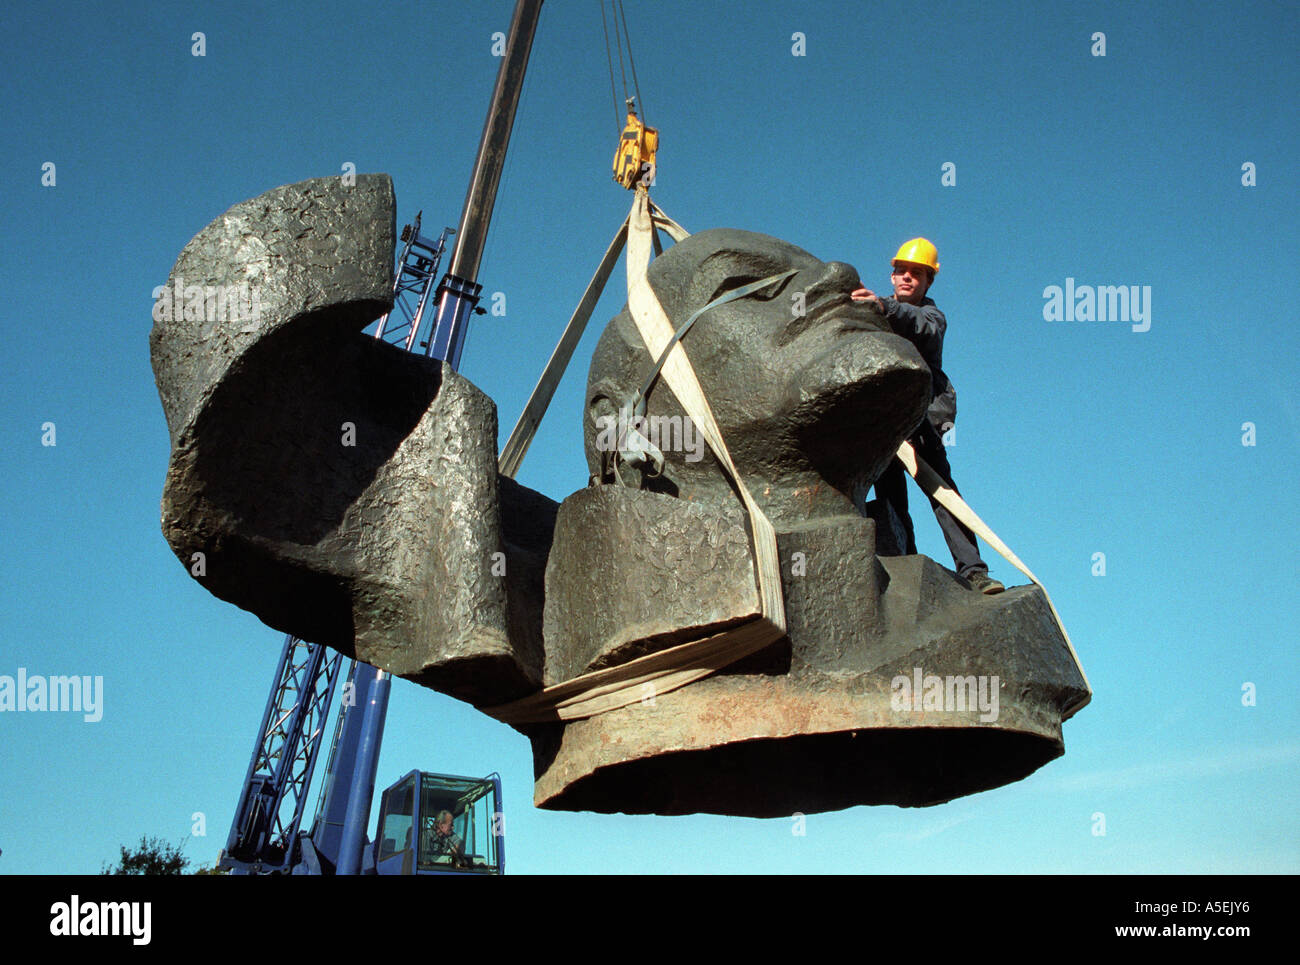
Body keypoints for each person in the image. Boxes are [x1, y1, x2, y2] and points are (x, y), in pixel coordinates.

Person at [851, 238, 1004, 594]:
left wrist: (881, 306)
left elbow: (920, 326)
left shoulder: (931, 317)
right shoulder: (877, 313)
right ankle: (907, 566)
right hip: (886, 424)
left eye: (916, 274)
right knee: (889, 501)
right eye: (901, 271)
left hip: (921, 423)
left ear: (928, 281)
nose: (907, 278)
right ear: (891, 276)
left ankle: (974, 572)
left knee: (943, 494)